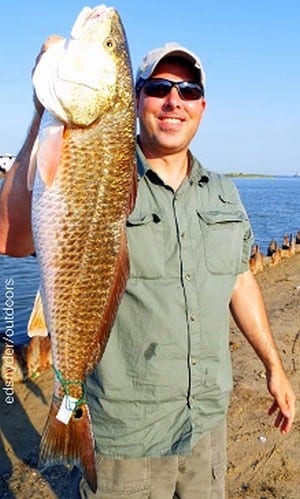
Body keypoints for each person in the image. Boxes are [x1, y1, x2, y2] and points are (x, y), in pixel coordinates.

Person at [0, 41, 296, 499]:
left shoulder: (223, 194)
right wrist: (44, 112)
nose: (174, 101)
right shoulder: (100, 176)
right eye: (160, 88)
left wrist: (274, 367)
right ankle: (70, 412)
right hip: (124, 441)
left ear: (202, 106)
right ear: (135, 100)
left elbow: (240, 280)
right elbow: (11, 236)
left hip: (206, 428)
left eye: (188, 90)